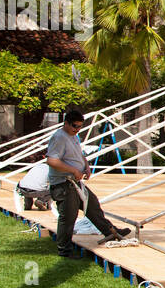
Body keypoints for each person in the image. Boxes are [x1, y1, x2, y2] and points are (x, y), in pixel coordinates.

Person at [45, 108, 131, 257]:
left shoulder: (73, 136)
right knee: (68, 216)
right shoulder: (59, 137)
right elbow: (52, 161)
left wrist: (85, 166)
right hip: (63, 183)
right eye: (74, 126)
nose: (77, 129)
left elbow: (79, 154)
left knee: (92, 205)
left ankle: (111, 232)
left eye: (80, 126)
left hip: (74, 181)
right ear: (66, 123)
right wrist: (73, 170)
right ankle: (64, 250)